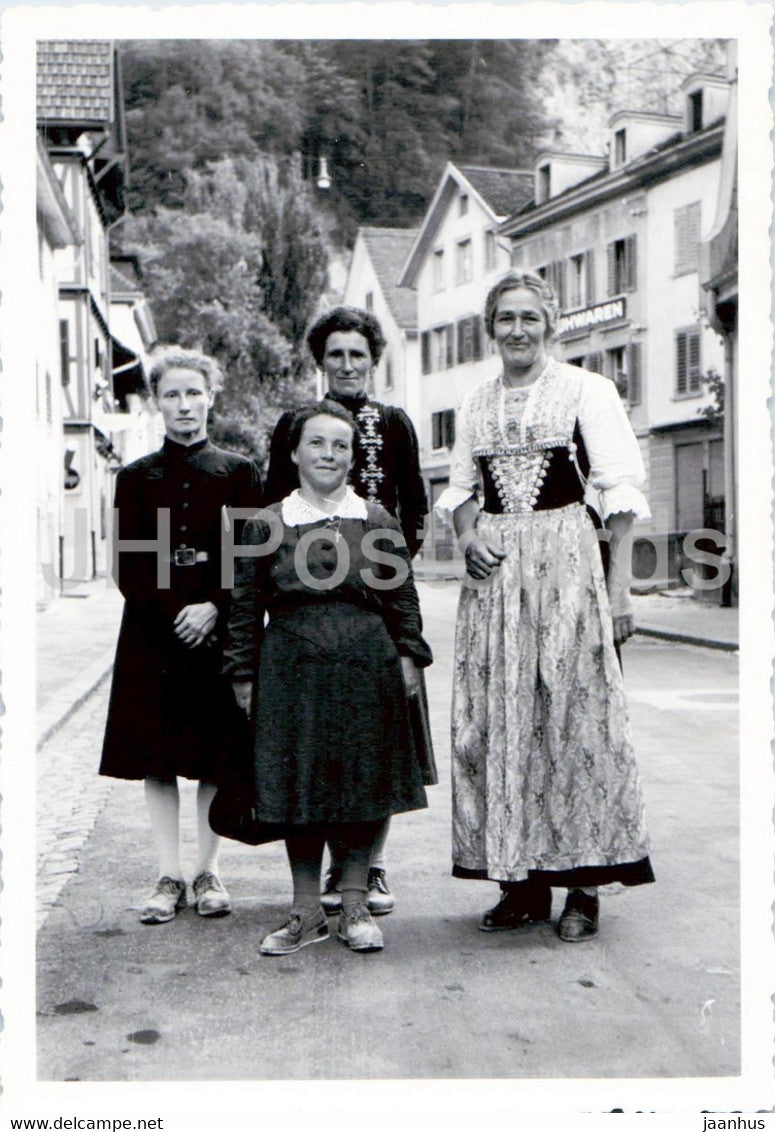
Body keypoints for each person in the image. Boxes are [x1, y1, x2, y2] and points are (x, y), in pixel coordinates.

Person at [436, 270, 655, 943]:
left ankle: (582, 888)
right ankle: (520, 882)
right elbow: (459, 490)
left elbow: (617, 495)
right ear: (490, 327)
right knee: (500, 720)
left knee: (572, 718)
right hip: (497, 580)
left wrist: (618, 591)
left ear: (550, 324)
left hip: (567, 566)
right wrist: (468, 535)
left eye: (530, 317)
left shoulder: (587, 390)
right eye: (505, 318)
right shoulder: (473, 403)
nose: (518, 330)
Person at [223, 400, 432, 955]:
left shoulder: (377, 518)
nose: (329, 455)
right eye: (317, 443)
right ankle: (305, 911)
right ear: (294, 452)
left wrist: (409, 657)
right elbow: (244, 607)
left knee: (365, 783)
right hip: (292, 671)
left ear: (352, 457)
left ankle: (357, 904)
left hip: (370, 668)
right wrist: (243, 674)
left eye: (341, 445)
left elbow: (402, 598)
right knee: (298, 787)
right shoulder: (268, 523)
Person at [264, 306, 429, 917]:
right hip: (308, 595)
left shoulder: (395, 422)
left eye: (358, 353)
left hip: (376, 590)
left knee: (376, 741)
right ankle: (323, 878)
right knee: (317, 736)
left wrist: (385, 572)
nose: (347, 364)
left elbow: (413, 504)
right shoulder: (295, 423)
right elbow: (271, 499)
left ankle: (369, 868)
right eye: (336, 353)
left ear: (373, 359)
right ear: (320, 361)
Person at [99, 346, 263, 925]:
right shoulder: (135, 477)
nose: (184, 405)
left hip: (219, 632)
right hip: (154, 633)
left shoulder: (240, 471)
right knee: (158, 756)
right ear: (156, 402)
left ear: (211, 396)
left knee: (216, 753)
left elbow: (250, 553)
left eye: (194, 392)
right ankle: (168, 873)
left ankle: (207, 869)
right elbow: (130, 563)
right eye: (172, 394)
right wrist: (178, 610)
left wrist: (215, 607)